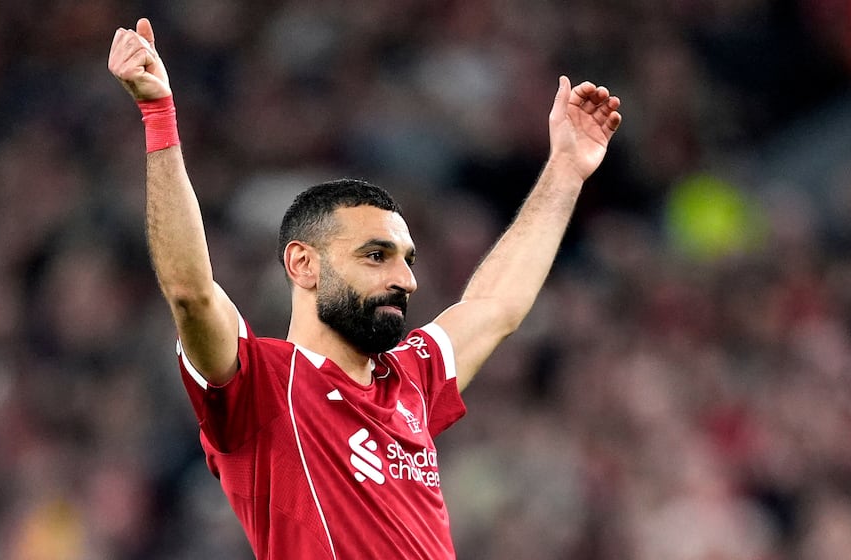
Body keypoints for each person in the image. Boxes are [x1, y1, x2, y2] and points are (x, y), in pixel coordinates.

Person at [108, 17, 621, 560]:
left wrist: (565, 170)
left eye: (406, 260)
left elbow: (496, 305)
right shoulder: (260, 387)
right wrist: (159, 116)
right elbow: (192, 292)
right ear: (302, 265)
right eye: (375, 256)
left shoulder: (412, 378)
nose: (405, 279)